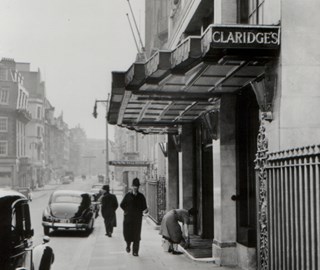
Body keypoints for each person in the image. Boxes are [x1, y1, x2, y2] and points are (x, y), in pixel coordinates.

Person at [120, 178, 148, 257]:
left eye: (137, 186)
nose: (135, 188)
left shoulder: (141, 197)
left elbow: (144, 207)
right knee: (127, 234)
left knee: (136, 235)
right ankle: (128, 245)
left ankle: (135, 251)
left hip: (137, 220)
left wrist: (144, 210)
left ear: (138, 187)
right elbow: (122, 205)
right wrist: (127, 211)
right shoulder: (127, 195)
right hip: (128, 219)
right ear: (131, 187)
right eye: (134, 186)